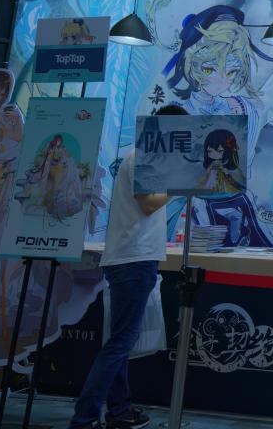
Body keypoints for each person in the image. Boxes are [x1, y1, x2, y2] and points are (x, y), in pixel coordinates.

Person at [69, 105, 189, 429]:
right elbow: (148, 203)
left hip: (133, 258)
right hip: (133, 260)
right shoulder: (145, 156)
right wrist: (180, 185)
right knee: (119, 343)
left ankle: (119, 410)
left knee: (119, 341)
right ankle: (84, 417)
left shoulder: (146, 157)